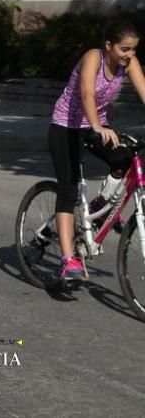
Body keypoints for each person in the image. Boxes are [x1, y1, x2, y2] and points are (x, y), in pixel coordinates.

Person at [48, 21, 145, 283]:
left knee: (124, 159)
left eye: (134, 50)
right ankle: (68, 260)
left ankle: (100, 209)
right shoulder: (93, 57)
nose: (130, 55)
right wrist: (97, 126)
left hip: (96, 126)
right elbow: (87, 93)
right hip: (66, 127)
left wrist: (98, 127)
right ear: (109, 46)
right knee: (68, 190)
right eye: (125, 49)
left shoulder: (129, 63)